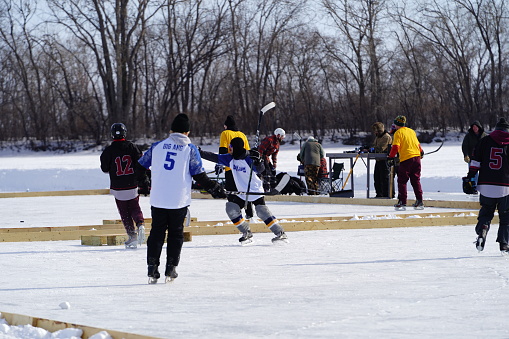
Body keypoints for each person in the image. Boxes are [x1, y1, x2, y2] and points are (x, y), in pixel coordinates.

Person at [138, 113, 226, 284]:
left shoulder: (157, 146)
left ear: (171, 131)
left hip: (158, 199)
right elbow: (199, 176)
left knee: (156, 233)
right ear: (187, 132)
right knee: (175, 234)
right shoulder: (190, 149)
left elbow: (140, 166)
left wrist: (145, 183)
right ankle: (171, 268)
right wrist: (215, 188)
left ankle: (152, 267)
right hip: (178, 200)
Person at [200, 137, 288, 244]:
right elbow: (214, 157)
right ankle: (246, 232)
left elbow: (260, 169)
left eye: (230, 147)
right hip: (242, 192)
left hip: (255, 190)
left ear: (235, 147)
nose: (229, 149)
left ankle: (280, 233)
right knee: (231, 209)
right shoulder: (230, 158)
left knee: (262, 212)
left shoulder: (249, 158)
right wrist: (199, 152)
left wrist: (258, 161)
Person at [100, 123, 147, 249]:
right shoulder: (132, 147)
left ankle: (132, 236)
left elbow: (104, 168)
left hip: (118, 187)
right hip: (132, 184)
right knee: (135, 207)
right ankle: (140, 223)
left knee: (124, 212)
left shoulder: (109, 150)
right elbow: (141, 164)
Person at [466, 117, 509, 254]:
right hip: (506, 186)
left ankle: (483, 231)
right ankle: (504, 243)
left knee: (486, 212)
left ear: (495, 129)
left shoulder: (484, 141)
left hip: (486, 185)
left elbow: (475, 162)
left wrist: (470, 176)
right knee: (506, 216)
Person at [218, 115, 252, 216]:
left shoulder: (225, 133)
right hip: (243, 168)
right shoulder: (242, 134)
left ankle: (235, 214)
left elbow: (223, 150)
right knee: (244, 190)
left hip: (230, 167)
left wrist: (220, 164)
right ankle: (249, 213)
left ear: (225, 126)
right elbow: (248, 152)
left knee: (231, 191)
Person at [387, 115, 424, 209]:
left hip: (406, 159)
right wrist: (421, 151)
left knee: (402, 181)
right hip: (416, 158)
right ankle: (419, 201)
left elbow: (395, 147)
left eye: (395, 124)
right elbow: (417, 144)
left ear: (397, 125)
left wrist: (390, 157)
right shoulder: (411, 131)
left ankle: (402, 202)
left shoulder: (398, 133)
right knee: (416, 180)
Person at [462, 121, 486, 192]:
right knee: (473, 173)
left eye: (476, 127)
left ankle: (482, 187)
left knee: (483, 173)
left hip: (483, 158)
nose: (475, 128)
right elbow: (465, 146)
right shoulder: (468, 136)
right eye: (473, 127)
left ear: (479, 127)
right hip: (472, 158)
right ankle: (474, 186)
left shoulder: (484, 136)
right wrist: (466, 155)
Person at [371, 122, 393, 198]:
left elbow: (380, 148)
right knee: (377, 178)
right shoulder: (378, 137)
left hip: (384, 160)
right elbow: (374, 145)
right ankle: (379, 194)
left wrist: (373, 149)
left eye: (377, 131)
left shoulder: (386, 137)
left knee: (384, 178)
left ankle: (386, 194)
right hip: (378, 160)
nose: (375, 133)